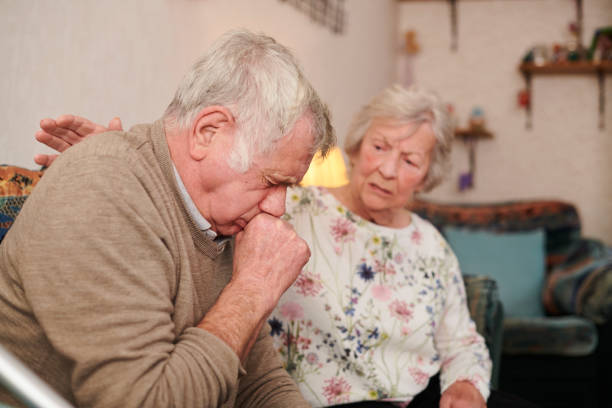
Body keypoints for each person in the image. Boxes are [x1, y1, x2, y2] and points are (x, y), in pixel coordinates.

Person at [32, 86, 538, 408]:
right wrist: (122, 159)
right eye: (380, 147)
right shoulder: (288, 206)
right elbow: (205, 187)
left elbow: (463, 339)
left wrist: (466, 385)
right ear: (358, 147)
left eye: (410, 160)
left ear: (430, 175)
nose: (387, 168)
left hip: (425, 396)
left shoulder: (430, 244)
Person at [0, 29, 335, 408]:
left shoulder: (217, 220)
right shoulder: (104, 185)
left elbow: (260, 384)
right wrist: (253, 289)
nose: (278, 207)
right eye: (272, 181)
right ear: (208, 132)